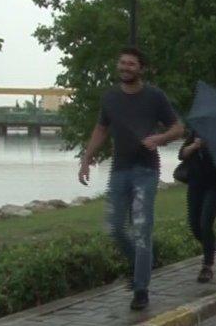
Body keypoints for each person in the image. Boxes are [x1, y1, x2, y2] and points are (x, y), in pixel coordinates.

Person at [79, 48, 184, 311]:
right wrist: (86, 158)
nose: (126, 67)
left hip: (146, 171)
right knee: (115, 228)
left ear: (141, 69)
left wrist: (160, 138)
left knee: (141, 228)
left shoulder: (154, 96)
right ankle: (143, 262)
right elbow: (101, 129)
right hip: (119, 169)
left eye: (131, 64)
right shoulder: (110, 97)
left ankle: (140, 289)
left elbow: (178, 128)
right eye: (122, 63)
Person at [179, 130, 216, 283]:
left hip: (215, 187)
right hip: (195, 186)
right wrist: (195, 146)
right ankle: (211, 245)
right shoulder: (196, 132)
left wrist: (209, 147)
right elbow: (181, 154)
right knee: (194, 224)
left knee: (205, 223)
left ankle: (207, 266)